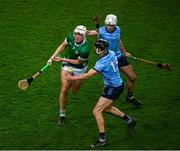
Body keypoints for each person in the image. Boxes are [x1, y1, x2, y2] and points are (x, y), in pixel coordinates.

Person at [67, 39, 137, 148]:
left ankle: (102, 139)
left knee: (96, 111)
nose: (97, 49)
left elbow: (88, 75)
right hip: (116, 85)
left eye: (99, 48)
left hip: (113, 88)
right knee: (107, 108)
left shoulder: (101, 63)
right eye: (97, 47)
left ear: (102, 50)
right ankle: (130, 120)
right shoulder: (112, 53)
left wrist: (72, 77)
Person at [87, 14, 143, 107]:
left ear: (115, 25)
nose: (109, 27)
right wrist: (80, 31)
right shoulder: (101, 31)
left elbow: (118, 40)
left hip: (118, 57)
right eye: (108, 25)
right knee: (109, 83)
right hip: (108, 60)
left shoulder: (118, 29)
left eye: (111, 25)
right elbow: (89, 33)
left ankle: (130, 97)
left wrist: (124, 52)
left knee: (132, 77)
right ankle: (104, 102)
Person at [47, 25, 91, 126]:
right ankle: (62, 115)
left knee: (75, 90)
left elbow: (78, 62)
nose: (77, 36)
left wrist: (62, 59)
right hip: (68, 67)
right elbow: (62, 45)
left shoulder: (85, 49)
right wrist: (52, 57)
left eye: (80, 35)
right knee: (64, 88)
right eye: (76, 34)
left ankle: (72, 82)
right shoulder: (70, 37)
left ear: (84, 36)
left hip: (79, 68)